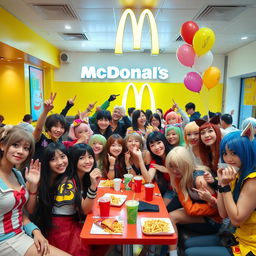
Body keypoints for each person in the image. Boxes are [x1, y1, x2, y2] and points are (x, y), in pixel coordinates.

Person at [184, 126, 256, 256]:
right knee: (187, 245)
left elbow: (236, 220)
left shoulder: (253, 181)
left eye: (234, 153)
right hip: (236, 238)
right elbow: (223, 213)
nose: (228, 159)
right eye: (225, 153)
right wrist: (222, 183)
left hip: (250, 247)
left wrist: (225, 186)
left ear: (246, 152)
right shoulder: (236, 174)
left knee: (190, 252)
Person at [0, 126, 69, 256]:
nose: (21, 151)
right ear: (2, 145)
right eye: (15, 145)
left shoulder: (17, 175)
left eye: (26, 148)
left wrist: (36, 231)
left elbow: (25, 212)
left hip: (21, 233)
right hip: (5, 240)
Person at [166, 146, 221, 256]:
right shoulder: (179, 178)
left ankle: (172, 254)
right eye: (171, 166)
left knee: (171, 217)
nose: (174, 170)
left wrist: (189, 208)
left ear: (186, 163)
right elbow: (188, 206)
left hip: (213, 221)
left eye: (178, 166)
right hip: (202, 214)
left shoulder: (200, 180)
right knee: (166, 215)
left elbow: (218, 210)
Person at [33, 93, 68, 160]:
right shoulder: (41, 138)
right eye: (55, 126)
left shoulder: (59, 141)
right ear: (48, 126)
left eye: (62, 127)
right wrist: (46, 111)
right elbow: (38, 129)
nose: (59, 130)